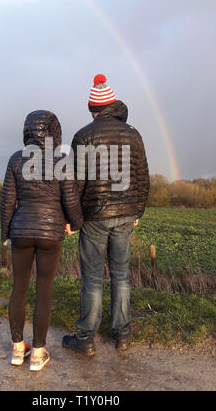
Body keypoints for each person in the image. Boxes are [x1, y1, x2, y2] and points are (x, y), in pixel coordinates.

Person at [62, 74, 150, 355]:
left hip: (94, 218)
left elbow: (75, 185)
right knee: (122, 275)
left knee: (92, 278)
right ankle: (122, 334)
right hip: (125, 216)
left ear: (93, 108)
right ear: (113, 105)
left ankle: (85, 338)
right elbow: (143, 178)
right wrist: (138, 211)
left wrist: (73, 220)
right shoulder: (134, 134)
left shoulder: (84, 135)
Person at [0, 110, 83, 371]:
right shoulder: (62, 160)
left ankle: (17, 349)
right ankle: (37, 352)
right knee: (44, 290)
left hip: (21, 232)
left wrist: (5, 233)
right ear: (54, 131)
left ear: (27, 131)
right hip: (50, 234)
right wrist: (76, 224)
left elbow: (7, 202)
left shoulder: (16, 159)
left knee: (19, 287)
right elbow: (70, 200)